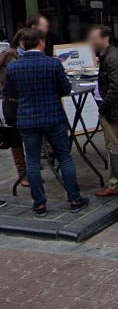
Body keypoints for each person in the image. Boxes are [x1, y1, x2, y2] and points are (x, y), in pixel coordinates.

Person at [3, 29, 89, 215]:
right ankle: (74, 199)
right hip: (52, 116)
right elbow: (65, 88)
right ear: (41, 43)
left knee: (32, 161)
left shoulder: (13, 67)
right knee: (64, 157)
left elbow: (9, 93)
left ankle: (39, 204)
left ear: (23, 45)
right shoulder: (52, 64)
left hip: (27, 118)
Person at [90, 25, 118, 197]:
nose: (93, 41)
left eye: (95, 37)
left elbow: (117, 87)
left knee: (114, 146)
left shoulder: (112, 58)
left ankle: (116, 185)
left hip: (115, 110)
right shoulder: (112, 54)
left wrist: (104, 106)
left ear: (106, 38)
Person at [0, 28, 28, 188]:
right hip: (11, 100)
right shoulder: (10, 54)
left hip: (13, 99)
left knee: (18, 136)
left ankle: (25, 174)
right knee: (15, 137)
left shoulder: (13, 54)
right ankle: (23, 174)